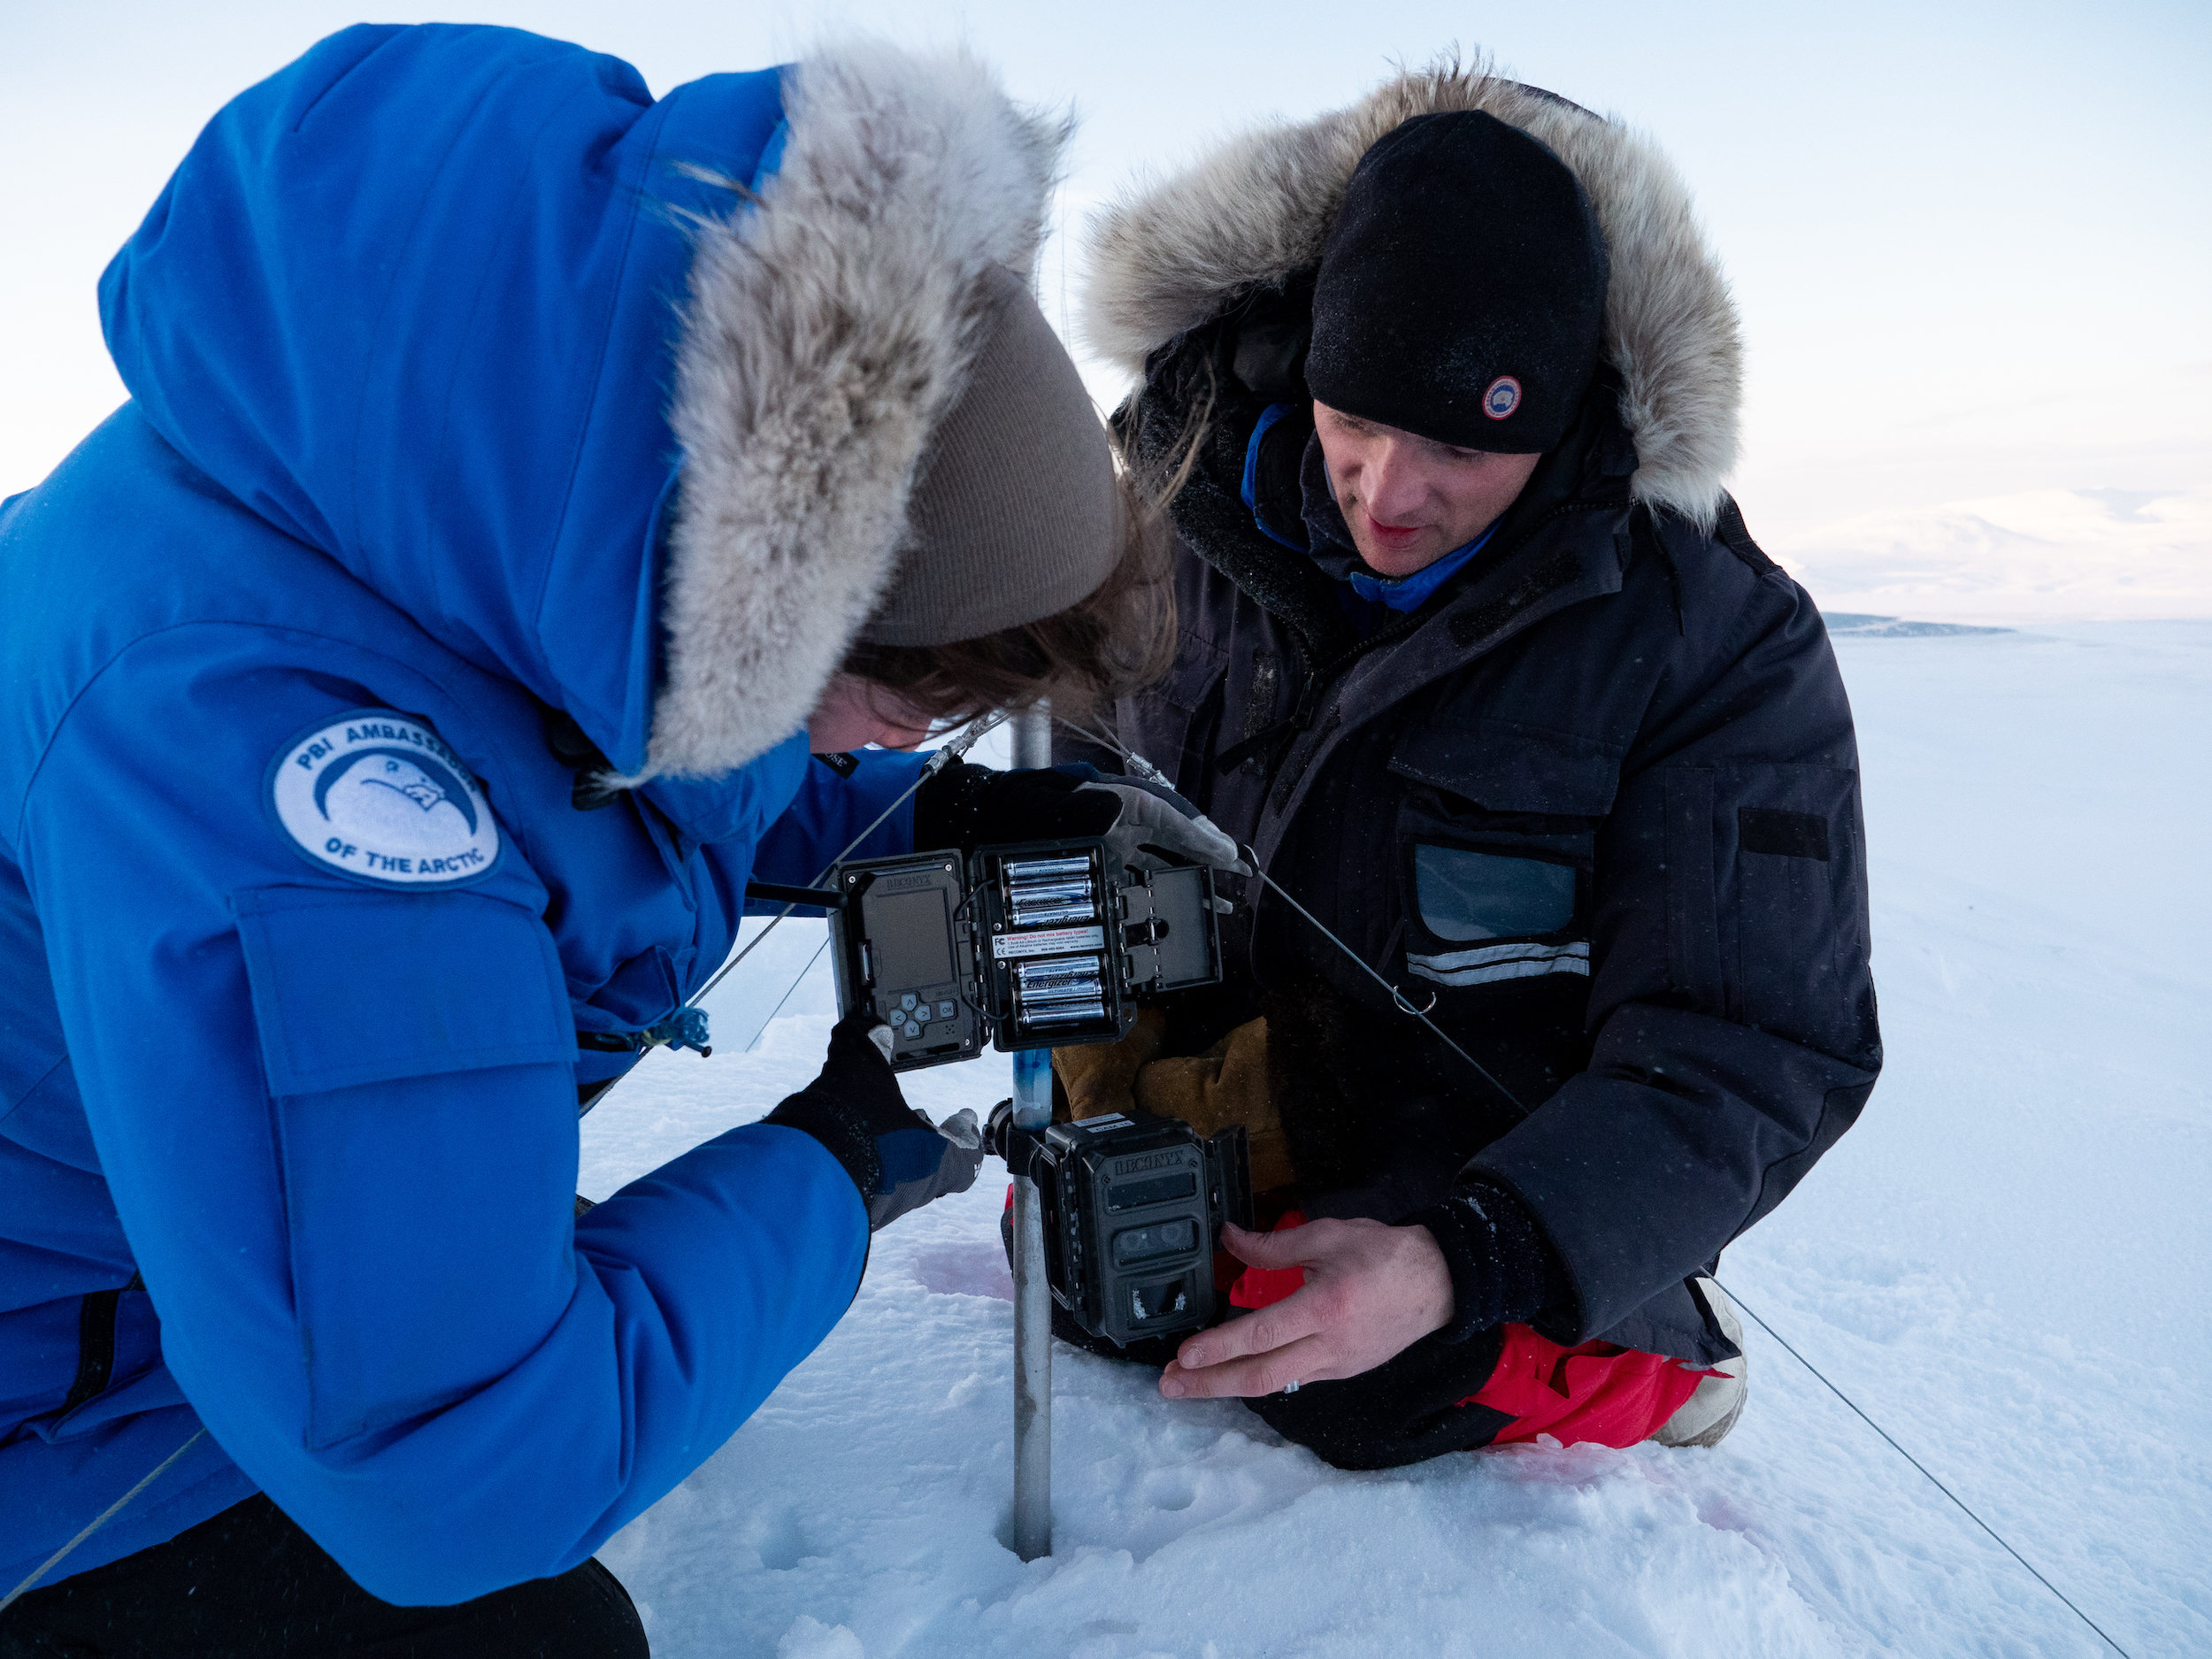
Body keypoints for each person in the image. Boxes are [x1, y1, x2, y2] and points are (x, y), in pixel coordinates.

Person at [0, 24, 1240, 1655]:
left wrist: (928, 818)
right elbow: (452, 1468)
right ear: (781, 608)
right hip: (58, 1420)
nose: (888, 746)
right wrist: (830, 1172)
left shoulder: (526, 492)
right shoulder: (293, 796)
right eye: (898, 711)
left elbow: (615, 752)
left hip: (178, 1280)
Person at [1053, 60, 1882, 1469]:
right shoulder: (1168, 522)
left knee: (1358, 1391)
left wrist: (1462, 1254)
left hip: (1479, 1163)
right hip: (1222, 1094)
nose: (1389, 490)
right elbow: (1066, 787)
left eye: (1459, 445)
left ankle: (1648, 1372)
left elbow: (1756, 1045)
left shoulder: (1718, 643)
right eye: (1356, 418)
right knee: (1088, 1276)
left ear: (1562, 421)